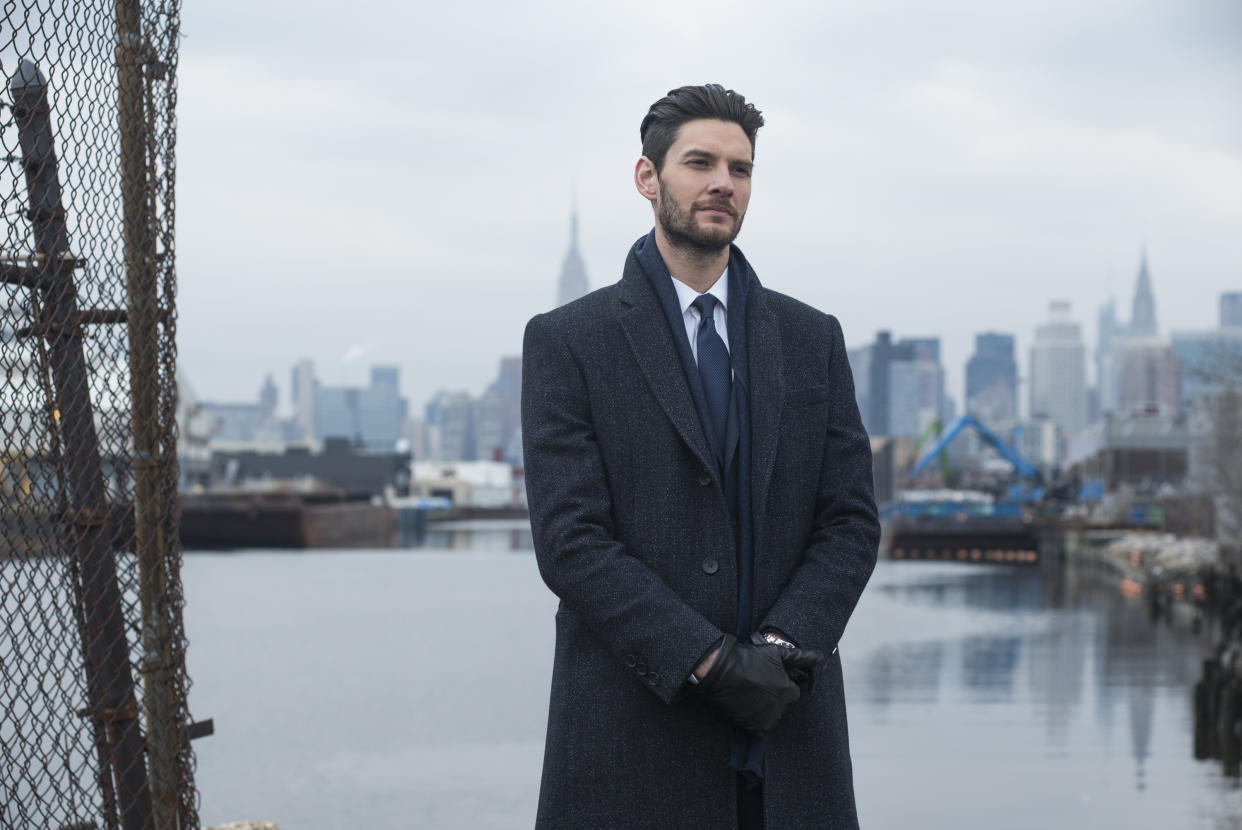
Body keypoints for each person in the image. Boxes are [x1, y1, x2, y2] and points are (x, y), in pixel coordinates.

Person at [521, 83, 880, 830]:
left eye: (741, 168)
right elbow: (571, 542)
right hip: (632, 736)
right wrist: (710, 661)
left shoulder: (813, 340)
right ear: (648, 178)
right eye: (700, 162)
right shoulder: (568, 342)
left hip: (789, 736)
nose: (723, 182)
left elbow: (849, 521)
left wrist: (779, 652)